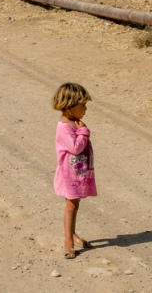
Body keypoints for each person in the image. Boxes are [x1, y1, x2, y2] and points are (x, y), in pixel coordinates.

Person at [52, 82, 96, 259]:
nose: (85, 109)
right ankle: (68, 243)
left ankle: (72, 234)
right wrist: (84, 132)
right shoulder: (64, 127)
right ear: (69, 107)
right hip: (69, 175)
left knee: (74, 205)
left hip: (77, 173)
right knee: (71, 206)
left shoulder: (73, 124)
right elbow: (75, 148)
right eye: (82, 106)